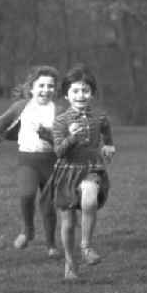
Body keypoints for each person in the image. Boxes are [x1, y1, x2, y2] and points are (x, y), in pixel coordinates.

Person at [0, 65, 63, 258]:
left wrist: (48, 135)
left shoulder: (58, 110)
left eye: (50, 86)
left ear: (55, 89)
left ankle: (51, 245)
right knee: (26, 195)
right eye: (41, 85)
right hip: (28, 160)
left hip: (51, 162)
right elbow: (1, 122)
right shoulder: (22, 107)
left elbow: (63, 139)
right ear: (32, 88)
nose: (46, 90)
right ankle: (28, 231)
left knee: (49, 205)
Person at [44, 65, 116, 280]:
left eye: (85, 90)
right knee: (67, 223)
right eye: (75, 91)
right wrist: (72, 137)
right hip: (66, 173)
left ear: (92, 93)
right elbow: (58, 151)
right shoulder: (60, 121)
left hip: (91, 169)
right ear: (67, 95)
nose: (81, 95)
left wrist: (109, 145)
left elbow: (106, 130)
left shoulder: (99, 117)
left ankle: (86, 246)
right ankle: (70, 262)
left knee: (90, 200)